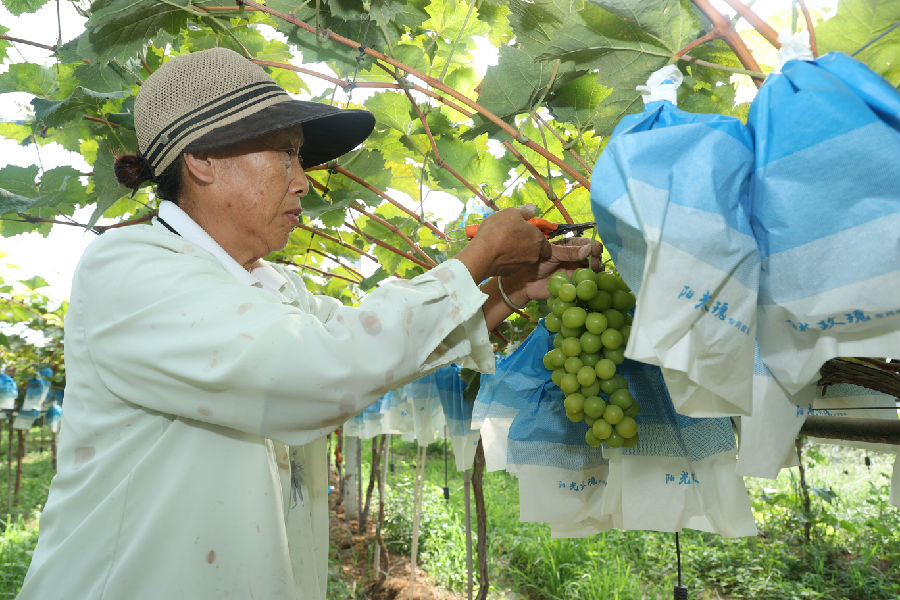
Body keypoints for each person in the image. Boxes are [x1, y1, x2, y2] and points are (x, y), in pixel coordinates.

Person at [17, 48, 601, 599]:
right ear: (202, 160)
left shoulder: (274, 287)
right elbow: (320, 370)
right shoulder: (130, 269)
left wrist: (504, 289)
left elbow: (369, 349)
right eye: (285, 154)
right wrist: (473, 261)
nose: (303, 180)